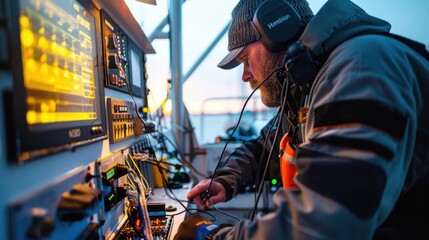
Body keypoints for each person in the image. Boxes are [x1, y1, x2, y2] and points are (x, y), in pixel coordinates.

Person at [177, 0, 429, 239]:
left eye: (245, 60)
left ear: (276, 30)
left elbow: (326, 220)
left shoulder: (361, 67)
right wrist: (225, 179)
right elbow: (265, 147)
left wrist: (211, 236)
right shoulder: (307, 87)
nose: (245, 76)